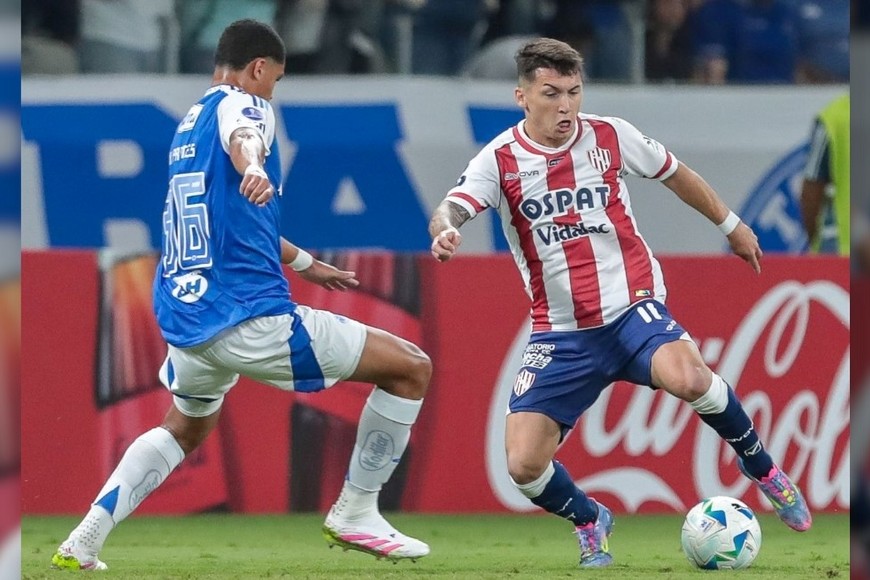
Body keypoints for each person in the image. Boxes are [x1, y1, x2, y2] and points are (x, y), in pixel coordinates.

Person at [51, 19, 431, 571]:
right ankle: (356, 511)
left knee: (185, 426)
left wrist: (306, 264)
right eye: (276, 78)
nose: (273, 90)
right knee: (410, 368)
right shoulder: (245, 104)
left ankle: (85, 538)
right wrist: (253, 164)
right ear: (258, 68)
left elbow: (231, 221)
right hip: (247, 315)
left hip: (186, 317)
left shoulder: (189, 126)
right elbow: (245, 135)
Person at [428, 37, 811, 568]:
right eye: (551, 94)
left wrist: (731, 225)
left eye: (573, 92)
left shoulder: (610, 135)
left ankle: (761, 467)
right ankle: (590, 519)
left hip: (632, 308)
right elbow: (450, 207)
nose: (565, 106)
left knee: (691, 378)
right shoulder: (500, 159)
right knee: (523, 466)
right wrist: (446, 230)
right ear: (522, 97)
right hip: (560, 332)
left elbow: (676, 174)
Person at [800, 92, 849, 255]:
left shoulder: (834, 118)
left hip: (842, 248)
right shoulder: (834, 118)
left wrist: (816, 243)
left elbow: (811, 192)